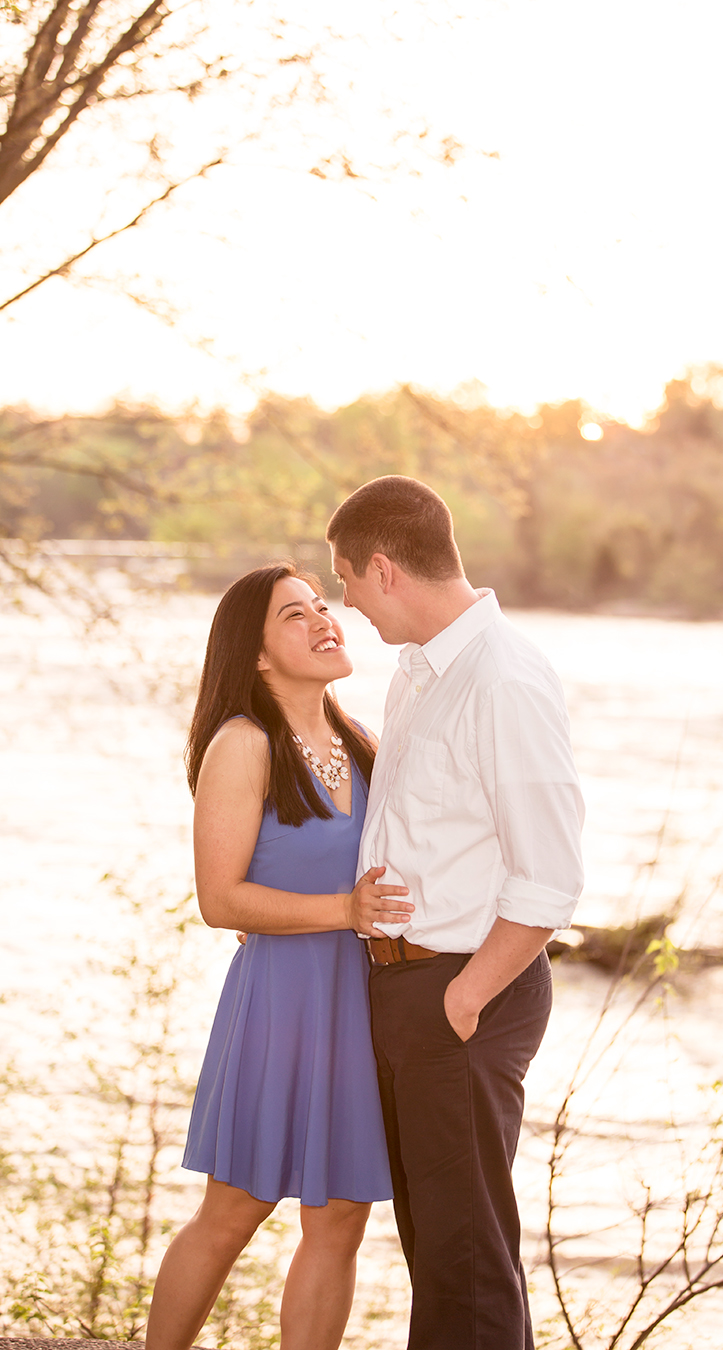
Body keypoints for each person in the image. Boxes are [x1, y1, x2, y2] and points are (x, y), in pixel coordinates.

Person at [326, 476, 585, 1350]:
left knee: (466, 1257)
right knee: (440, 1249)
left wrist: (462, 1001)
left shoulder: (503, 678)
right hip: (410, 987)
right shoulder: (419, 674)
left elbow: (548, 876)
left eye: (347, 579)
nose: (345, 601)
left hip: (464, 991)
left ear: (385, 568)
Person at [145, 562, 413, 1350]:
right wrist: (342, 910)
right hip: (279, 1006)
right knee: (233, 1210)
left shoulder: (363, 742)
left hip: (361, 1009)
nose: (324, 620)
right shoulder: (243, 743)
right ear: (256, 653)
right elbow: (219, 900)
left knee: (339, 1221)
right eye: (296, 615)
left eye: (322, 606)